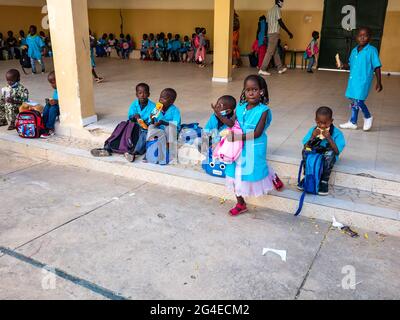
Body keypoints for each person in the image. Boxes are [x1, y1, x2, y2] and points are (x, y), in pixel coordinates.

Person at [224, 75, 274, 216]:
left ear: (261, 92)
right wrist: (220, 115)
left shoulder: (263, 110)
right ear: (244, 92)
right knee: (233, 174)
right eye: (248, 90)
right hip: (236, 148)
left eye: (255, 89)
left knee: (256, 170)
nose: (251, 93)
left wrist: (237, 137)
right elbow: (232, 123)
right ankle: (241, 204)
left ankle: (273, 177)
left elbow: (257, 133)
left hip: (253, 146)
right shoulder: (240, 108)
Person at [339, 27, 383, 132]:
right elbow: (350, 65)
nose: (362, 37)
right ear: (356, 37)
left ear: (370, 38)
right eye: (360, 35)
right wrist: (342, 65)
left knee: (359, 101)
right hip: (353, 80)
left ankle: (368, 117)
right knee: (354, 100)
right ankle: (353, 122)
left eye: (365, 35)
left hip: (363, 81)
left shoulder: (372, 50)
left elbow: (376, 66)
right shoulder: (354, 50)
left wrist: (379, 82)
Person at [300, 107, 346, 195]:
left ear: (331, 121)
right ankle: (308, 176)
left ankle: (324, 181)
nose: (321, 126)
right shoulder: (313, 130)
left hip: (328, 154)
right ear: (315, 120)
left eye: (325, 123)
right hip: (316, 152)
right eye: (318, 122)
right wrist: (312, 137)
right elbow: (305, 145)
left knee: (329, 154)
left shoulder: (337, 133)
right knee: (305, 150)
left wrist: (329, 138)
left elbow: (337, 151)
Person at [146, 88, 181, 164]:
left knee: (170, 128)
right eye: (160, 97)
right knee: (150, 127)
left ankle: (171, 152)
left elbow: (175, 124)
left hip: (169, 132)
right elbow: (151, 123)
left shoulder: (175, 110)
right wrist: (152, 118)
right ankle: (150, 149)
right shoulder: (156, 108)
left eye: (164, 98)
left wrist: (163, 122)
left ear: (171, 102)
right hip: (159, 130)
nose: (160, 100)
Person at [259, 0, 293, 76]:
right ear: (279, 2)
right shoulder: (277, 9)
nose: (283, 3)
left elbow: (267, 24)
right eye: (282, 1)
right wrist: (288, 32)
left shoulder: (269, 11)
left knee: (275, 51)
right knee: (270, 52)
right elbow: (280, 22)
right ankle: (262, 69)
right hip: (274, 34)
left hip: (269, 33)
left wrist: (265, 35)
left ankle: (280, 68)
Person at [124, 83, 157, 162]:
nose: (142, 95)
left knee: (145, 132)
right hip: (136, 126)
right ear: (136, 94)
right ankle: (109, 147)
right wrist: (134, 117)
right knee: (123, 125)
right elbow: (130, 117)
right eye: (140, 93)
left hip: (146, 128)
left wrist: (150, 120)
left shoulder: (154, 106)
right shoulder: (134, 104)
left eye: (145, 93)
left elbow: (153, 122)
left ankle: (134, 153)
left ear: (149, 94)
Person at [41, 71, 60, 138]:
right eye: (50, 83)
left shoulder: (63, 90)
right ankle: (43, 124)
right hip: (56, 106)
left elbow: (66, 100)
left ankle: (50, 128)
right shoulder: (56, 90)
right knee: (47, 107)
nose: (52, 85)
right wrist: (50, 101)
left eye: (53, 83)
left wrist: (57, 102)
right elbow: (55, 99)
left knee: (52, 108)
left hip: (61, 108)